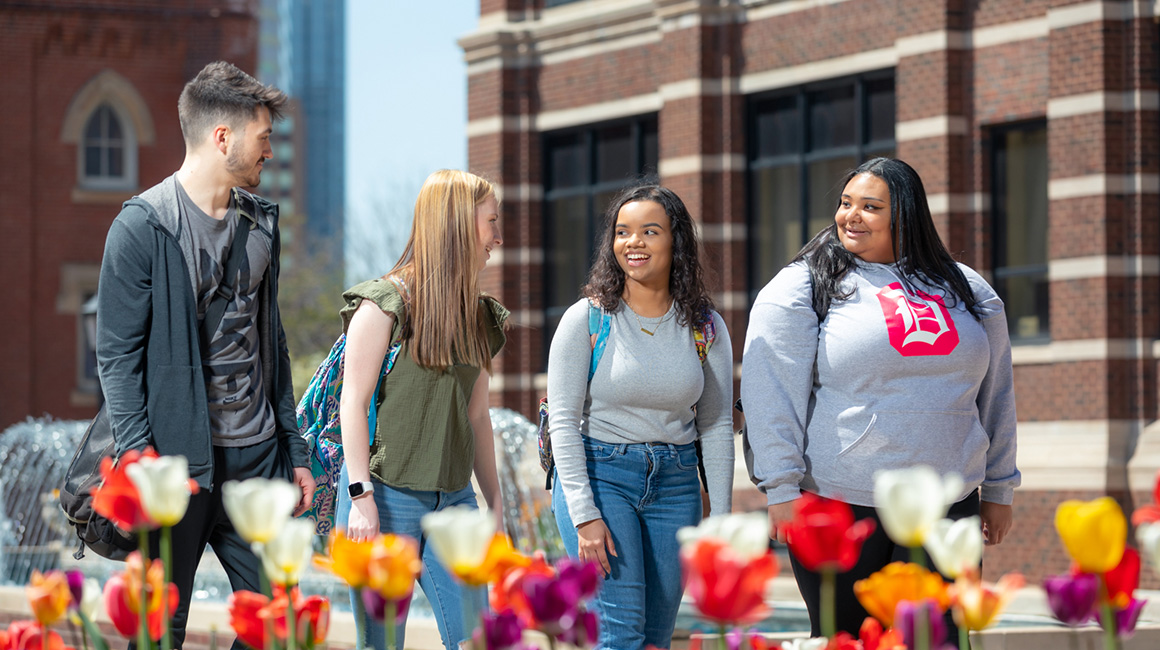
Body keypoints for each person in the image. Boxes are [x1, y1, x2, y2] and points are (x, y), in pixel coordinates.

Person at [741, 157, 1021, 635]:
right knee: (847, 641)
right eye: (846, 203)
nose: (851, 216)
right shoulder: (802, 286)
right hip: (839, 504)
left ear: (906, 216)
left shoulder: (966, 288)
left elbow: (995, 391)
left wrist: (998, 485)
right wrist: (781, 488)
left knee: (939, 641)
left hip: (947, 501)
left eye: (870, 207)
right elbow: (770, 393)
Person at [95, 61, 315, 649]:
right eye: (264, 137)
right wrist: (142, 461)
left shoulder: (261, 222)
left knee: (280, 625)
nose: (270, 151)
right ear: (224, 138)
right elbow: (116, 359)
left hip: (259, 460)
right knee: (160, 632)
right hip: (175, 470)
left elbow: (275, 342)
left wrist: (292, 446)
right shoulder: (142, 227)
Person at [548, 184, 735, 650]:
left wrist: (722, 524)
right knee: (619, 634)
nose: (634, 242)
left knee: (655, 637)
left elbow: (715, 426)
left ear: (676, 241)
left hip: (676, 486)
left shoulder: (704, 325)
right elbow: (563, 423)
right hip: (601, 477)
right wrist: (584, 515)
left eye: (650, 231)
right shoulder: (587, 319)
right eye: (623, 232)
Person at [335, 169, 507, 650]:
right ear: (455, 224)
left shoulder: (479, 317)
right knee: (382, 645)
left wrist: (494, 503)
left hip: (454, 500)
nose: (498, 236)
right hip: (383, 500)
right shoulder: (385, 305)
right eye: (490, 221)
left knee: (479, 641)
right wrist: (361, 497)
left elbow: (477, 418)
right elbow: (354, 401)